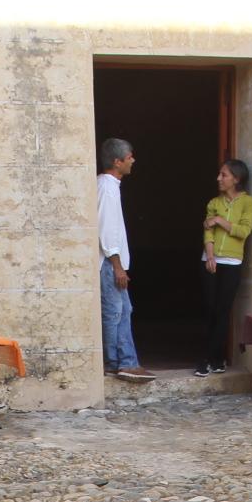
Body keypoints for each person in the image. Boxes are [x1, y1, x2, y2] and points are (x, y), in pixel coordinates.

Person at [97, 138, 152, 382]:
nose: (133, 160)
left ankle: (124, 361)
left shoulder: (109, 186)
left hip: (113, 262)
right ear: (117, 162)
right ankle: (120, 362)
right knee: (115, 312)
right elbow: (106, 230)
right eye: (129, 157)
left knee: (123, 310)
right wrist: (117, 266)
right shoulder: (107, 188)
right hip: (110, 263)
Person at [196, 159, 252, 377]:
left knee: (223, 311)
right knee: (209, 309)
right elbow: (208, 231)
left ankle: (217, 359)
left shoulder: (248, 202)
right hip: (211, 261)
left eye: (224, 175)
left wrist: (220, 221)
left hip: (232, 263)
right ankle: (204, 359)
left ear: (236, 179)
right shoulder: (214, 202)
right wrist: (210, 256)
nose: (219, 178)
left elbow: (243, 231)